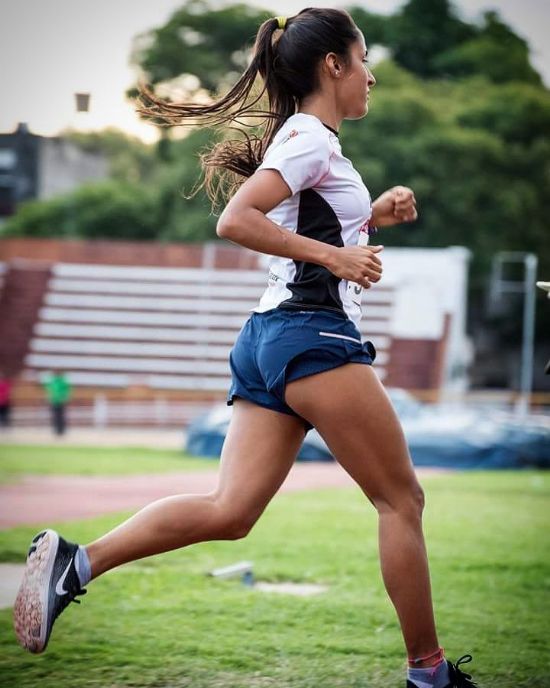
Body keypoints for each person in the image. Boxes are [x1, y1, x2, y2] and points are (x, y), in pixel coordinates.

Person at [13, 9, 477, 687]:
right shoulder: (310, 139)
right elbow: (239, 219)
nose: (372, 75)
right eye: (365, 57)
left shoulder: (311, 143)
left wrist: (372, 215)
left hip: (268, 339)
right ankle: (429, 676)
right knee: (400, 502)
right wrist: (337, 256)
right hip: (310, 336)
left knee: (231, 512)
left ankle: (75, 564)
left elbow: (301, 218)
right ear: (334, 65)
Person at [43, 370, 72, 435]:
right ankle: (56, 430)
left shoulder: (62, 381)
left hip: (61, 401)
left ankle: (61, 430)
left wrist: (65, 398)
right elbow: (49, 391)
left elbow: (67, 390)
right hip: (54, 401)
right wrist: (49, 398)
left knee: (61, 416)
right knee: (55, 416)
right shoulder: (53, 381)